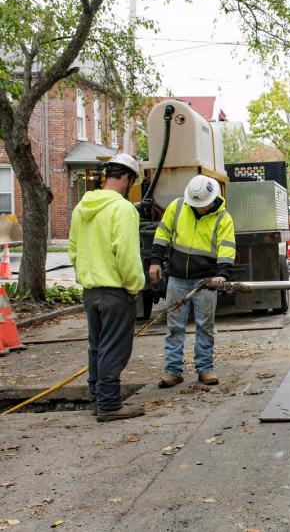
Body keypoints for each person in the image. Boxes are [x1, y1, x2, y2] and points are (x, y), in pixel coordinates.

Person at [69, 154, 146, 421]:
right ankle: (110, 405)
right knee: (114, 348)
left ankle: (97, 400)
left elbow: (74, 250)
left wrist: (86, 276)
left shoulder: (82, 207)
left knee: (97, 347)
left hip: (91, 291)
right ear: (126, 178)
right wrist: (134, 285)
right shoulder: (123, 209)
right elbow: (126, 254)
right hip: (116, 291)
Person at [148, 175, 235, 387]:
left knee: (205, 326)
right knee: (174, 326)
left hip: (206, 279)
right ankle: (172, 370)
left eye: (202, 205)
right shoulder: (177, 207)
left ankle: (205, 368)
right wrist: (155, 261)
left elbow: (226, 249)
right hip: (177, 278)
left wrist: (222, 274)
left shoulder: (223, 218)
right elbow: (162, 235)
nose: (199, 208)